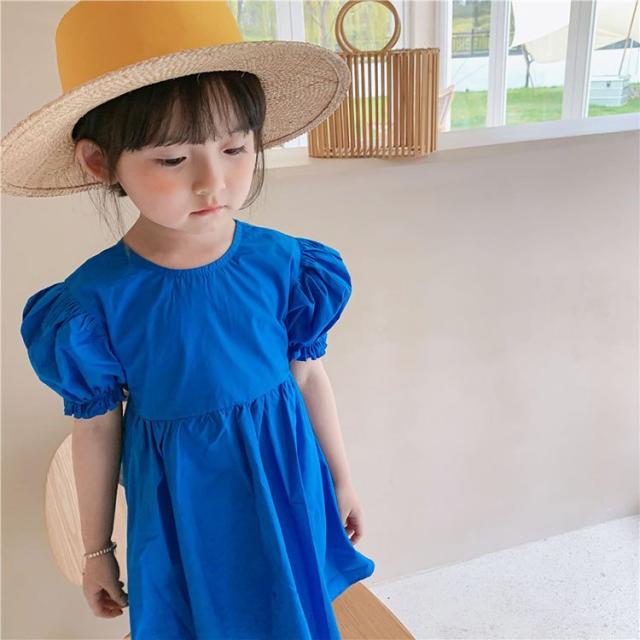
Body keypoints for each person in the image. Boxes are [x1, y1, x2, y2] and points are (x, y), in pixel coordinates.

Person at [2, 1, 375, 638]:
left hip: (285, 486)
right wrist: (97, 549)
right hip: (183, 512)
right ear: (100, 163)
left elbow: (308, 376)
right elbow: (98, 427)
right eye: (173, 160)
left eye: (234, 148)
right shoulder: (91, 304)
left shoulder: (286, 266)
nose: (213, 182)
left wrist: (340, 479)